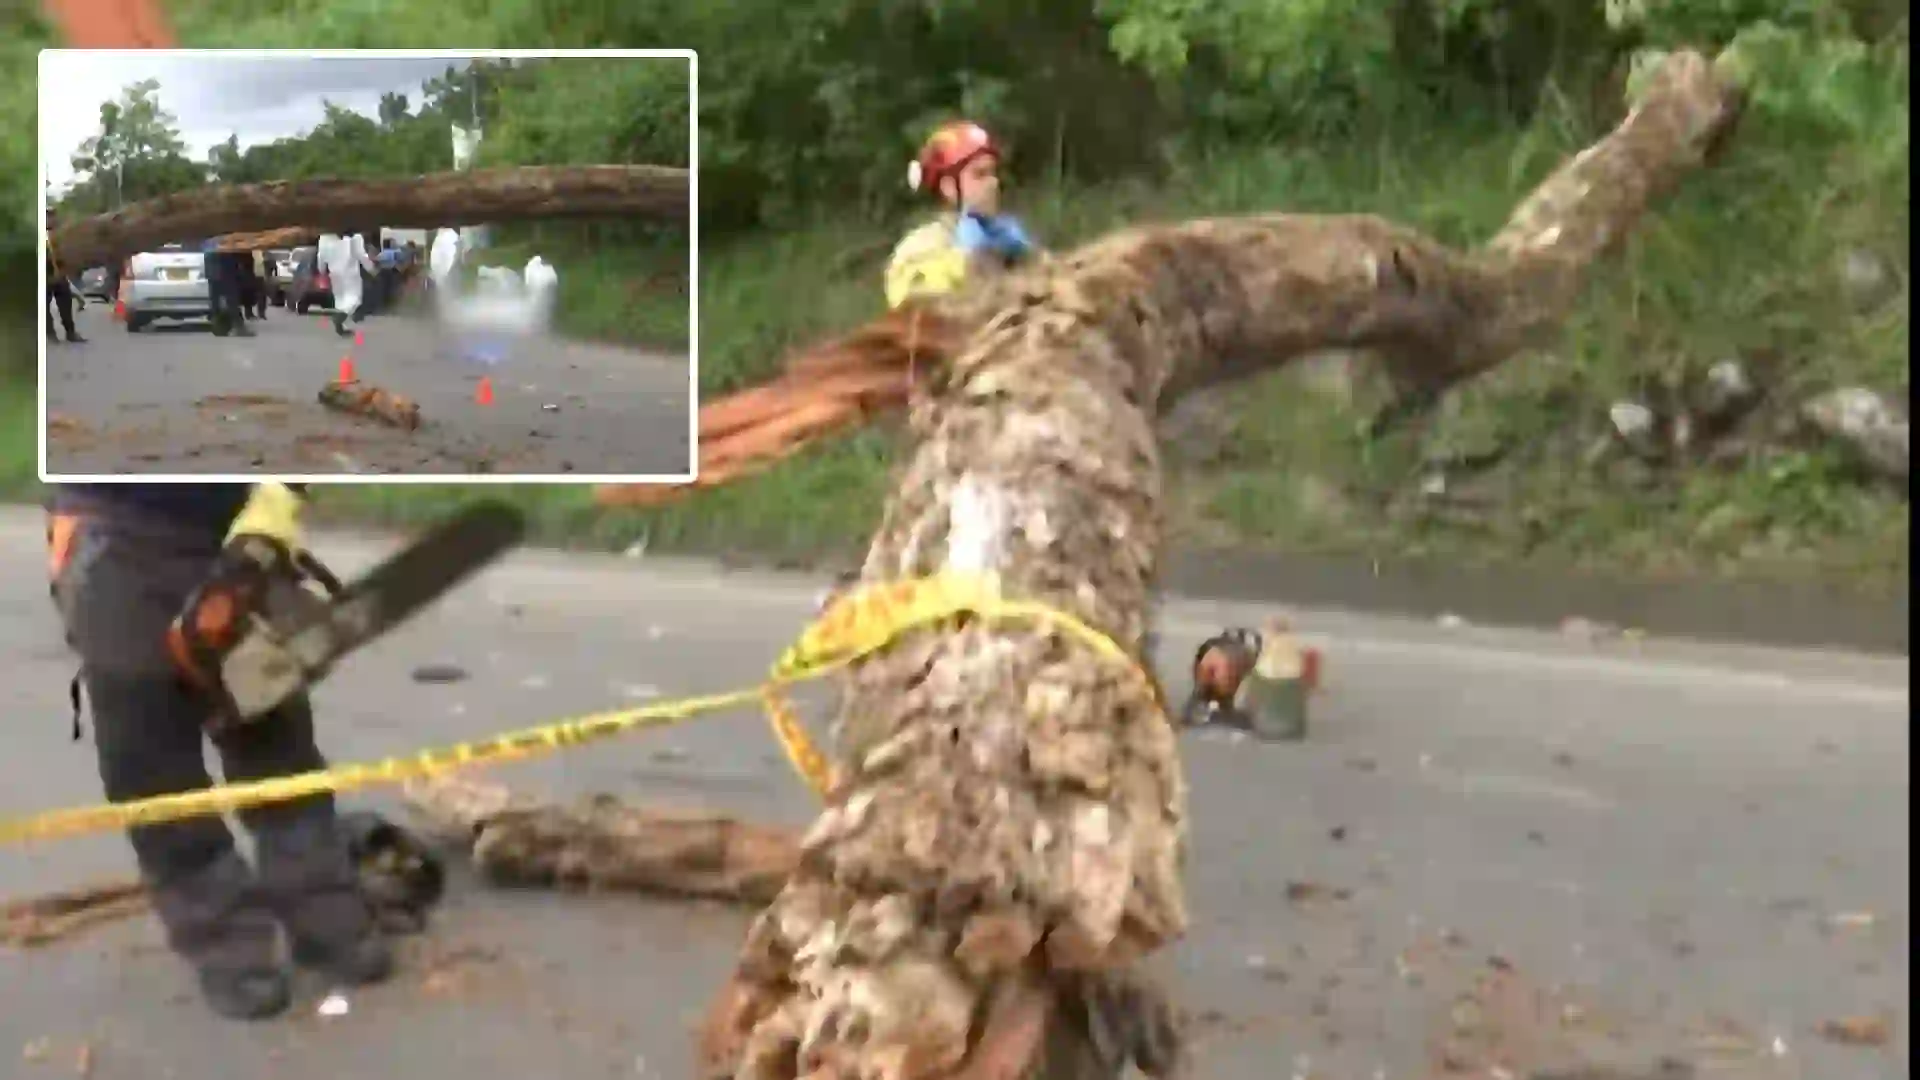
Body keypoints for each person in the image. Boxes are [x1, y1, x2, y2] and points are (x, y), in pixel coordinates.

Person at [45, 483, 393, 1020]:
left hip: (233, 529)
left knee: (275, 740)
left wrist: (274, 505)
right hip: (115, 532)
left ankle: (320, 904)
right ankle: (224, 940)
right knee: (154, 765)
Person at [883, 121, 1040, 310]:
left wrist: (1030, 258)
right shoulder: (916, 250)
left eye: (993, 173)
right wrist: (967, 259)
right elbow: (917, 314)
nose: (993, 183)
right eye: (980, 174)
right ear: (949, 187)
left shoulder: (1004, 236)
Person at [318, 228, 376, 336]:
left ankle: (341, 327)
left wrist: (322, 271)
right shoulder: (355, 237)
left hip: (334, 273)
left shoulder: (324, 237)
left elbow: (321, 257)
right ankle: (339, 318)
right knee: (354, 299)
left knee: (341, 300)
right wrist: (371, 269)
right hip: (350, 273)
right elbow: (361, 256)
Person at [45, 209, 86, 344]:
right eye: (49, 216)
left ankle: (70, 332)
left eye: (53, 216)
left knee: (66, 305)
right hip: (45, 276)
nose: (52, 219)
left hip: (59, 275)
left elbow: (64, 254)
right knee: (44, 307)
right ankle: (50, 334)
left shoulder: (57, 235)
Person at [200, 240, 254, 337]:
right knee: (231, 298)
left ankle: (220, 327)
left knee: (216, 299)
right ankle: (237, 327)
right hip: (224, 267)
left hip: (213, 268)